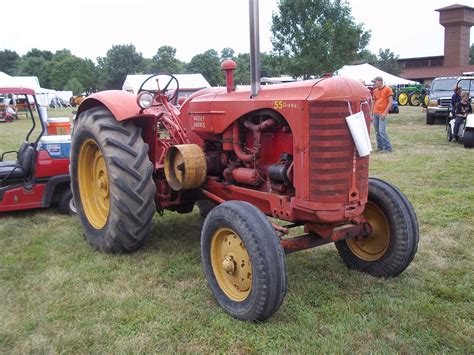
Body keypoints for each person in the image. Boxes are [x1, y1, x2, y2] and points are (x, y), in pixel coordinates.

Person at [371, 76, 393, 152]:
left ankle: (388, 148)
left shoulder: (388, 89)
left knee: (382, 131)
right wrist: (372, 113)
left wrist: (385, 113)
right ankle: (380, 147)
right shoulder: (375, 91)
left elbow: (390, 102)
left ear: (380, 81)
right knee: (377, 132)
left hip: (382, 113)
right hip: (375, 113)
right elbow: (374, 102)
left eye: (375, 82)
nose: (374, 83)